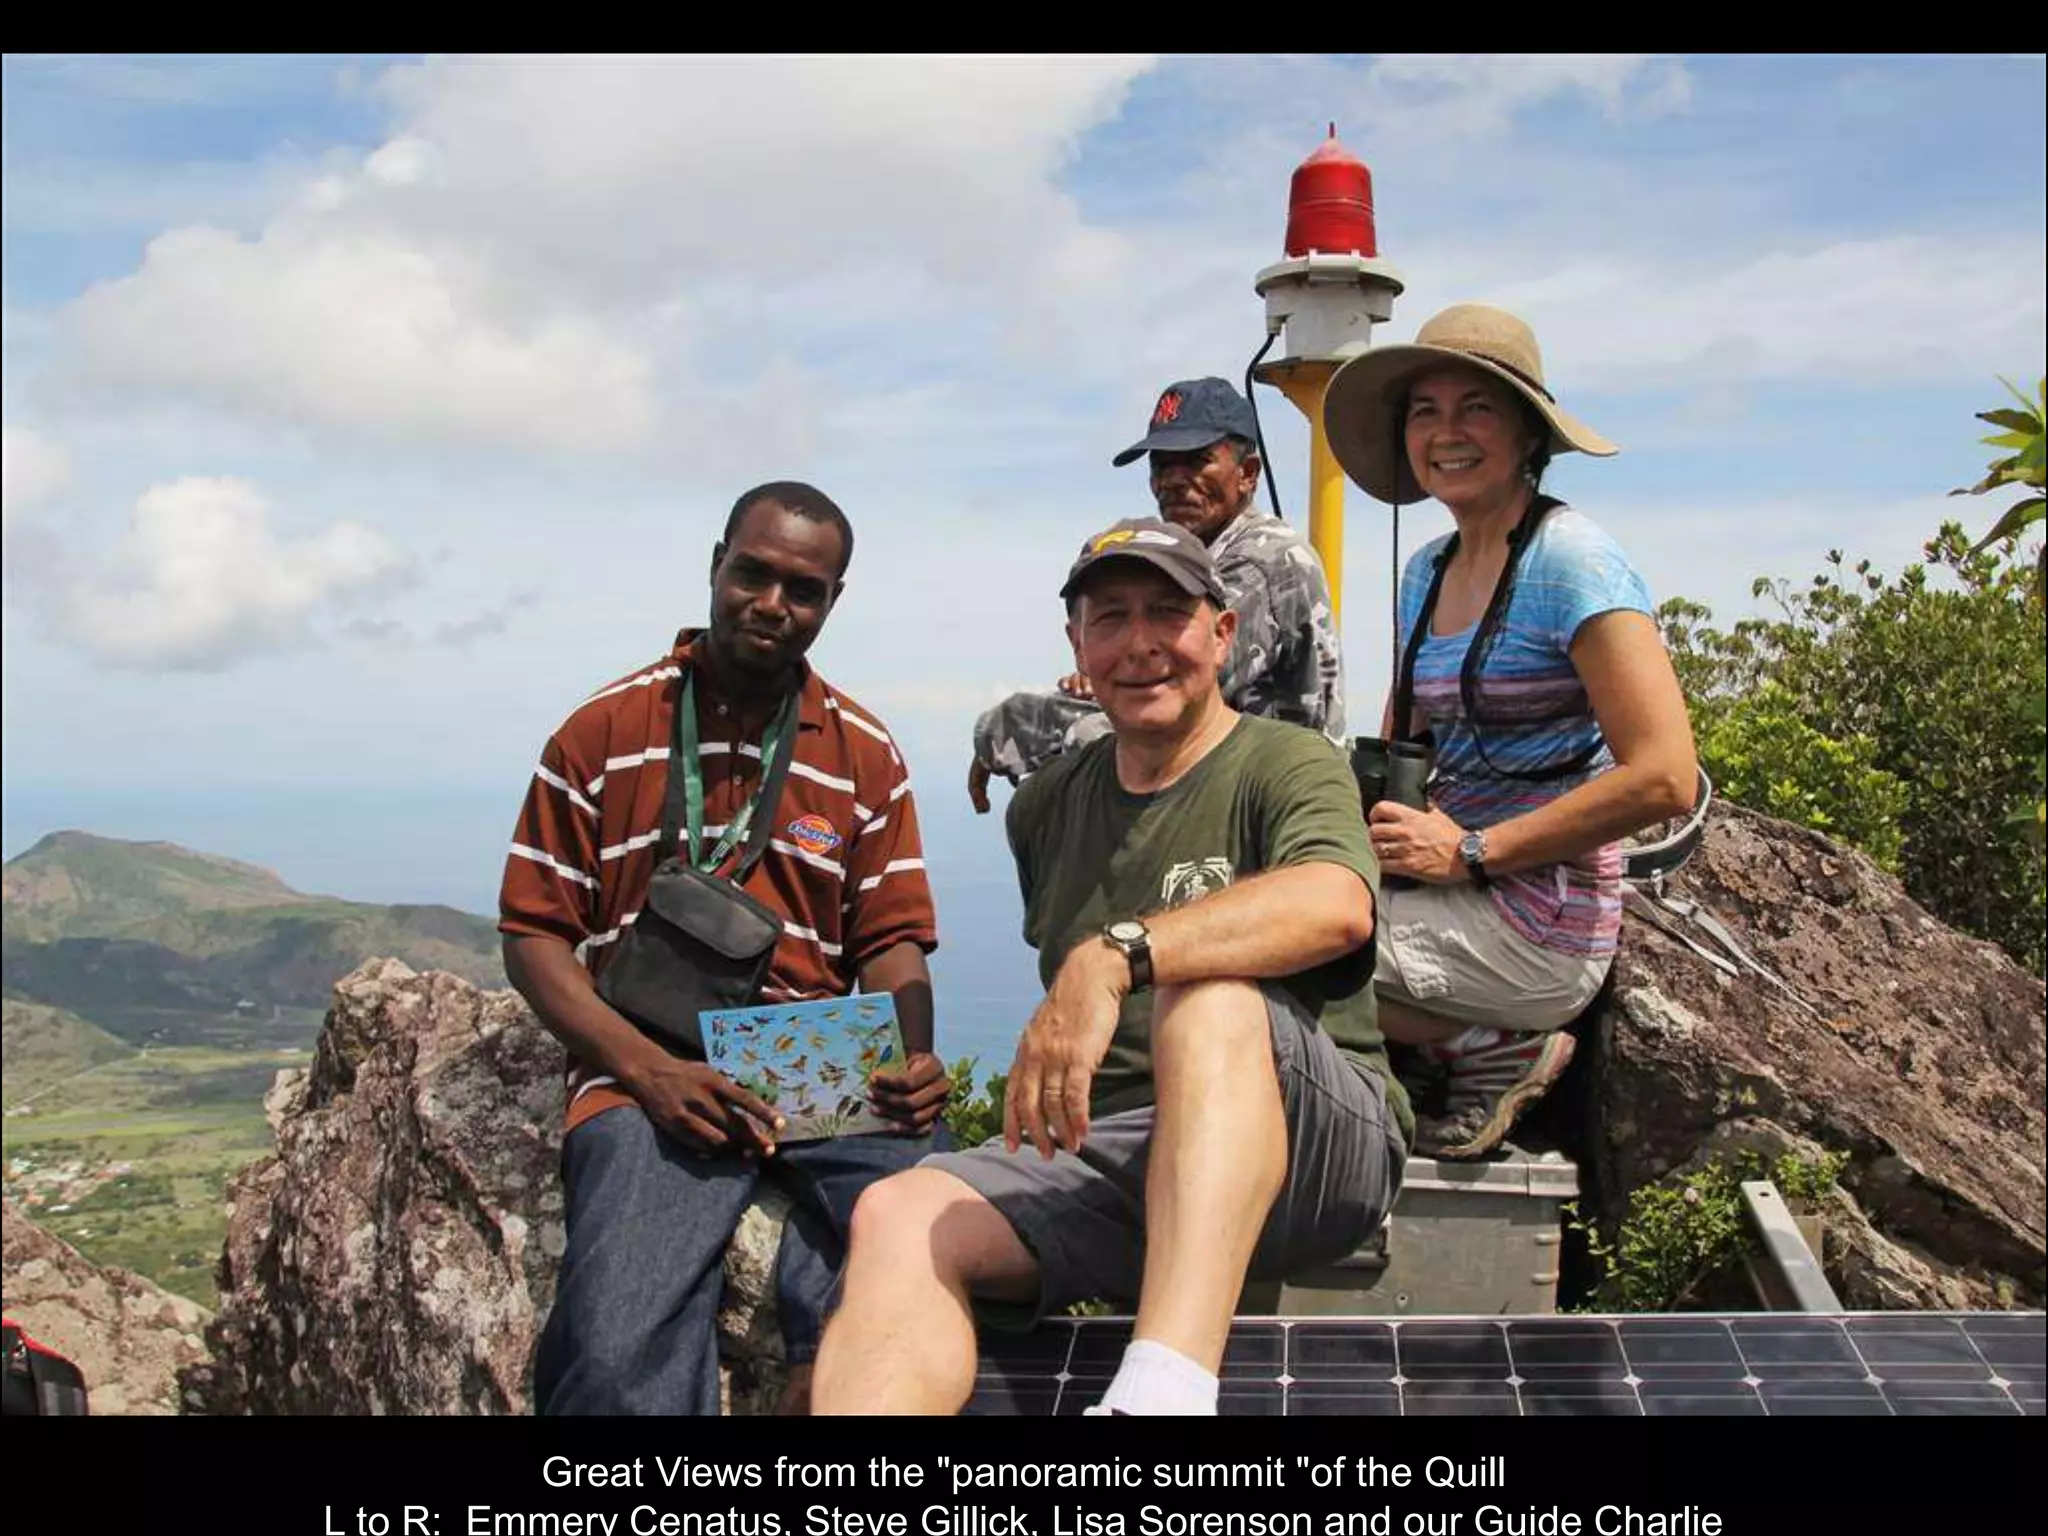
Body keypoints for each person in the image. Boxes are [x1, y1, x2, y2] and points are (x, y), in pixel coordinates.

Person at [811, 516, 1408, 1417]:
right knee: (898, 1214)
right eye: (1111, 618)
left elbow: (1335, 903)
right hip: (1125, 1153)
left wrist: (1117, 954)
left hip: (1314, 1141)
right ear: (1077, 647)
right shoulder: (1047, 807)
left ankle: (1162, 1400)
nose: (1140, 645)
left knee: (1208, 1000)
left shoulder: (1288, 762)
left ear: (1223, 633)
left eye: (1168, 613)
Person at [498, 481, 953, 1415]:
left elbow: (893, 938)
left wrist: (909, 1057)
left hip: (812, 1055)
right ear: (716, 567)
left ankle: (820, 1367)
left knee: (950, 1232)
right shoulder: (603, 732)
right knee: (613, 1355)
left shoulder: (864, 752)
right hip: (648, 1055)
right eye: (753, 574)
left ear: (832, 602)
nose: (772, 604)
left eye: (804, 590)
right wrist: (647, 1071)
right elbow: (535, 932)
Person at [1321, 303, 1699, 1160]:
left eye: (1476, 408)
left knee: (1270, 949)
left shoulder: (1572, 563)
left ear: (1529, 431)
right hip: (1441, 891)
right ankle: (1450, 1042)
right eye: (1424, 411)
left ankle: (1486, 1047)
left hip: (1541, 916)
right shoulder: (1428, 569)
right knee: (1248, 903)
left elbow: (1665, 775)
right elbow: (1406, 732)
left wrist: (1473, 850)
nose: (1446, 433)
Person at [968, 377, 1345, 814]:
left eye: (1197, 461)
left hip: (1276, 814)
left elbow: (1156, 709)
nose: (1175, 480)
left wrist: (1005, 729)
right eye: (1162, 464)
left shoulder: (1265, 560)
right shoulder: (1198, 559)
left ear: (1247, 474)